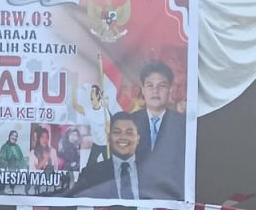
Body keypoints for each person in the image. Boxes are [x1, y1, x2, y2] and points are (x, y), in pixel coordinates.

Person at [134, 61, 185, 200]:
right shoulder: (128, 123)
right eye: (149, 85)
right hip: (135, 195)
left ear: (170, 89)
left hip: (171, 196)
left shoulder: (183, 125)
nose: (155, 91)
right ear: (143, 90)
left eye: (161, 85)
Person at [71, 112, 143, 199]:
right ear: (108, 138)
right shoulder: (90, 175)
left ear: (138, 138)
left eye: (129, 133)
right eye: (117, 132)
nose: (123, 137)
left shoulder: (152, 174)